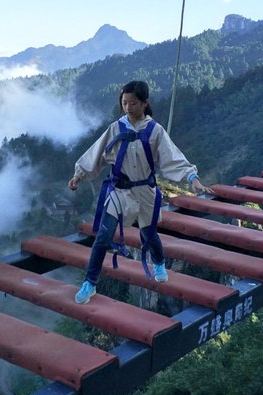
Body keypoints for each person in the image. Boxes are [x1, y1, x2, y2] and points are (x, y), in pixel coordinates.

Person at [68, 80, 211, 304]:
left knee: (148, 234)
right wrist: (79, 175)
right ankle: (90, 282)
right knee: (103, 237)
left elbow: (172, 157)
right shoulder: (116, 128)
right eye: (124, 103)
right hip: (119, 191)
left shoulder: (155, 131)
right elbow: (97, 153)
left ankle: (159, 262)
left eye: (133, 103)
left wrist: (192, 178)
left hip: (145, 191)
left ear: (145, 103)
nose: (128, 107)